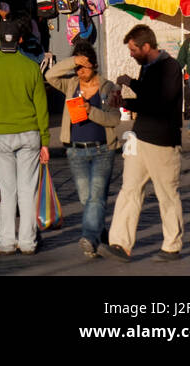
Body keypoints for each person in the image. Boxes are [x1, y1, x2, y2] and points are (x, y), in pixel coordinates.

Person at [0, 18, 50, 257]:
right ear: (20, 40)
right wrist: (45, 141)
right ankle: (27, 241)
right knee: (28, 190)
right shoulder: (30, 68)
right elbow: (41, 106)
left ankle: (6, 241)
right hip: (30, 133)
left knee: (7, 192)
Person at [107, 24, 183, 262]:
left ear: (146, 46)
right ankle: (120, 243)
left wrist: (128, 103)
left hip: (163, 141)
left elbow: (160, 101)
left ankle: (172, 245)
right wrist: (130, 83)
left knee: (167, 195)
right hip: (140, 138)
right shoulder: (148, 68)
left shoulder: (170, 67)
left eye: (133, 50)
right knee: (129, 190)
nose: (131, 54)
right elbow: (148, 93)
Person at [45, 39, 121, 258]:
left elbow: (114, 119)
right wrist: (72, 61)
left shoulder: (109, 87)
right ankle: (100, 235)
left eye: (83, 67)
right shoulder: (70, 84)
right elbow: (49, 76)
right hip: (76, 150)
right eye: (77, 67)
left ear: (94, 65)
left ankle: (88, 237)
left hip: (102, 150)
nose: (80, 71)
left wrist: (91, 111)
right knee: (85, 198)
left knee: (96, 198)